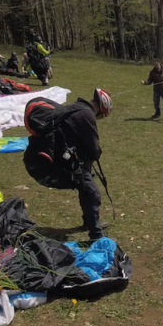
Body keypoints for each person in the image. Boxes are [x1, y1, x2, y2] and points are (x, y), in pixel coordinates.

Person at [61, 89, 113, 239]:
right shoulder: (87, 115)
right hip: (72, 161)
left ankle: (89, 222)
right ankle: (96, 235)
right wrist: (95, 154)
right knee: (92, 193)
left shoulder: (77, 107)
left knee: (85, 190)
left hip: (71, 157)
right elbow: (94, 147)